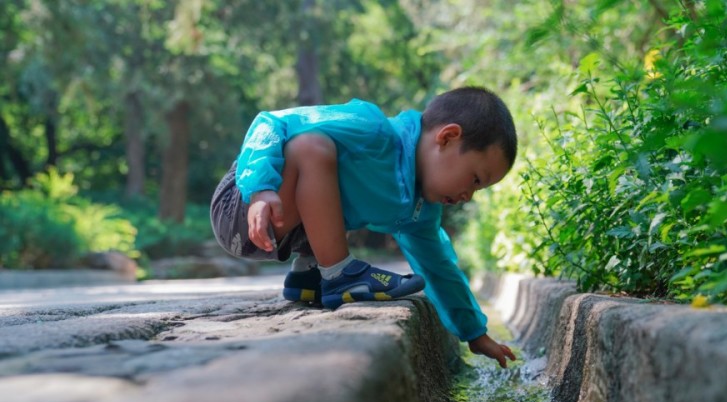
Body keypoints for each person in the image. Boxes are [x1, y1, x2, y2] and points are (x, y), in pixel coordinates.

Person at [211, 86, 517, 368]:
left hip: (284, 233)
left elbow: (439, 267)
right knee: (311, 147)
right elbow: (271, 122)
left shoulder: (419, 209)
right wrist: (260, 188)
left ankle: (309, 275)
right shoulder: (371, 128)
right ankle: (339, 274)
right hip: (243, 205)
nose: (468, 197)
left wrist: (475, 334)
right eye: (475, 179)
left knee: (341, 180)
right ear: (447, 137)